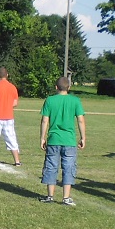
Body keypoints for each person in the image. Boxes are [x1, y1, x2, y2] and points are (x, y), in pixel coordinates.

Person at [39, 76, 85, 206]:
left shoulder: (50, 100)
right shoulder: (75, 101)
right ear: (69, 87)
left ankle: (50, 196)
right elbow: (81, 120)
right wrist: (83, 137)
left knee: (51, 166)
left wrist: (42, 138)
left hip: (53, 139)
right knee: (69, 168)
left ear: (56, 87)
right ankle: (66, 197)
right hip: (69, 140)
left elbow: (45, 120)